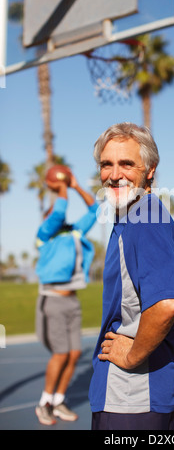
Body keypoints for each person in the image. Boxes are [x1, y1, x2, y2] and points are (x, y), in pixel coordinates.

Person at [89, 122, 174, 431]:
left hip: (132, 396)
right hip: (141, 396)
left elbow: (167, 303)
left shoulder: (144, 215)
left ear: (150, 170)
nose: (114, 174)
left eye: (126, 164)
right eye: (107, 164)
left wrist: (131, 357)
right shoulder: (133, 216)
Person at [35, 172, 98, 426]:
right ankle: (44, 403)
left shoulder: (73, 232)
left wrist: (75, 185)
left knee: (73, 354)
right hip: (54, 300)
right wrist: (62, 185)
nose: (55, 216)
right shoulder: (45, 235)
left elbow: (94, 210)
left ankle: (58, 399)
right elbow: (59, 211)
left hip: (73, 301)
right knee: (60, 353)